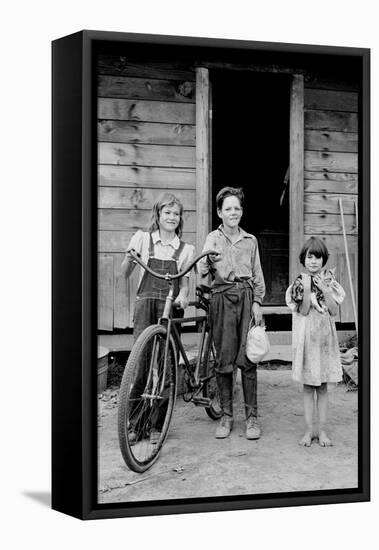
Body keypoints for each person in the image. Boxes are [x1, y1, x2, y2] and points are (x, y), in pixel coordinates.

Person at [120, 193, 195, 443]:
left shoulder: (185, 249)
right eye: (167, 213)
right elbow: (125, 273)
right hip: (145, 306)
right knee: (140, 364)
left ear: (180, 218)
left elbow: (184, 284)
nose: (172, 217)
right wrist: (129, 259)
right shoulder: (142, 240)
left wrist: (183, 296)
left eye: (176, 214)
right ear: (158, 215)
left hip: (169, 308)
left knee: (166, 366)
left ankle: (157, 426)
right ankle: (135, 424)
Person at [199, 186, 265, 440]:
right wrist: (207, 261)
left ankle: (252, 419)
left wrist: (258, 302)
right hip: (222, 299)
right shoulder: (212, 239)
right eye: (228, 208)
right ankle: (227, 416)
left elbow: (257, 274)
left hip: (247, 298)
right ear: (219, 212)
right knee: (224, 360)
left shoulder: (251, 240)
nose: (233, 212)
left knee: (248, 358)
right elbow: (203, 270)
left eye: (237, 208)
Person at [285, 237, 345, 447]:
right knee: (309, 387)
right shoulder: (299, 283)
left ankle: (323, 431)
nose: (313, 262)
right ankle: (309, 430)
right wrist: (309, 289)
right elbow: (302, 310)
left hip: (325, 340)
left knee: (322, 388)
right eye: (310, 257)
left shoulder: (330, 282)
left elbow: (334, 310)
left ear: (323, 260)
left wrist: (325, 289)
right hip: (307, 340)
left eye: (317, 257)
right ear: (303, 259)